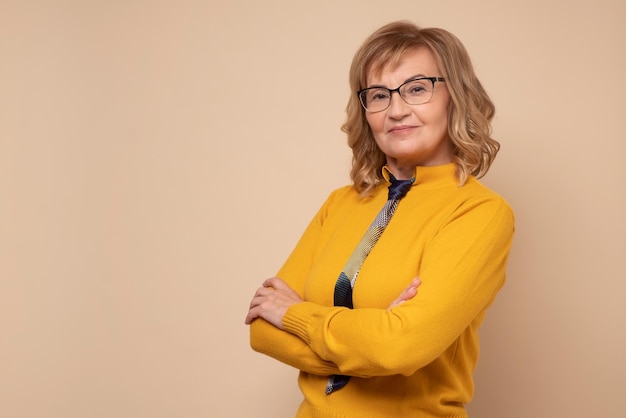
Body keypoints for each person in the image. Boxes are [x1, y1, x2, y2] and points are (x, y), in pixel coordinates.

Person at [245, 20, 514, 418]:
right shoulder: (340, 204)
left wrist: (293, 314)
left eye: (417, 89)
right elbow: (262, 331)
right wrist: (371, 341)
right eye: (379, 95)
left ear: (454, 97)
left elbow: (399, 349)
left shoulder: (478, 212)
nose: (397, 110)